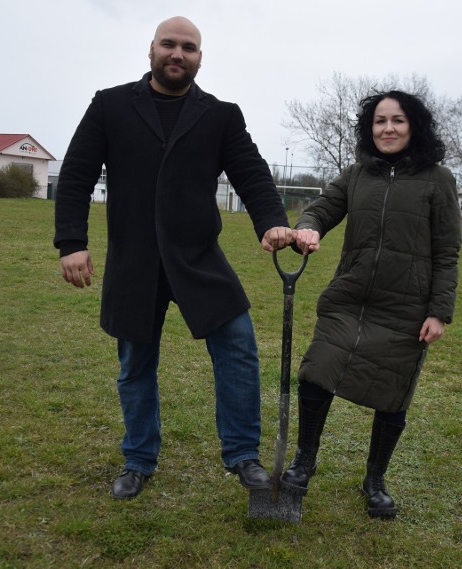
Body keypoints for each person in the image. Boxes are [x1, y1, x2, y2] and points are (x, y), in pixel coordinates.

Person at [53, 16, 294, 500]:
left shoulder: (220, 115)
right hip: (133, 260)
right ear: (151, 49)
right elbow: (76, 173)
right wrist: (71, 242)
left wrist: (272, 221)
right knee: (135, 364)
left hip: (198, 257)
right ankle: (138, 459)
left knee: (239, 347)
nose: (178, 54)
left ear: (199, 57)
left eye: (189, 47)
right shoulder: (110, 105)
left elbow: (251, 172)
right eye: (170, 44)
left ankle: (243, 454)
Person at [283, 90, 461, 518]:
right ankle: (304, 460)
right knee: (316, 373)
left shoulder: (439, 180)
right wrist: (307, 228)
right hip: (349, 297)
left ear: (413, 126)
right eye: (380, 121)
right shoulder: (357, 174)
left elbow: (448, 250)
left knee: (393, 396)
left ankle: (375, 480)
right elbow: (322, 209)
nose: (388, 128)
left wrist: (439, 311)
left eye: (397, 120)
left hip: (406, 308)